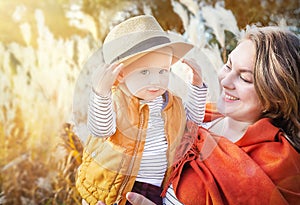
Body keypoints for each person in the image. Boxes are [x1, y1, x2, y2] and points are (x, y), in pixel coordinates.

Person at [120, 26, 300, 204]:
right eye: (228, 66)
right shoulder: (198, 115)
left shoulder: (279, 165)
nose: (225, 81)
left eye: (244, 78)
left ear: (276, 96)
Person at [75, 15, 208, 205]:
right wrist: (101, 94)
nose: (156, 79)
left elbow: (193, 119)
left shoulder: (172, 103)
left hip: (155, 188)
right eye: (145, 72)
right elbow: (101, 130)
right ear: (120, 74)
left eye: (163, 71)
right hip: (118, 185)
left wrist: (197, 85)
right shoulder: (117, 101)